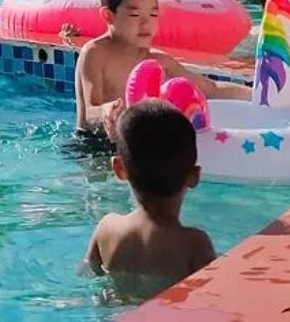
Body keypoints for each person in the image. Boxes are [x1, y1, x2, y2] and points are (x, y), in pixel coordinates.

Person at [74, 0, 241, 140]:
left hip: (135, 143)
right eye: (135, 15)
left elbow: (212, 89)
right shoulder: (96, 53)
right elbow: (88, 115)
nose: (146, 24)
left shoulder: (158, 60)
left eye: (153, 14)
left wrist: (256, 94)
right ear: (108, 16)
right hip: (93, 144)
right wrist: (105, 112)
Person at [87, 99, 216, 300]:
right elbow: (212, 299)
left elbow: (89, 276)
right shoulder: (194, 244)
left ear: (119, 169)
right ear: (194, 176)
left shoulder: (107, 229)